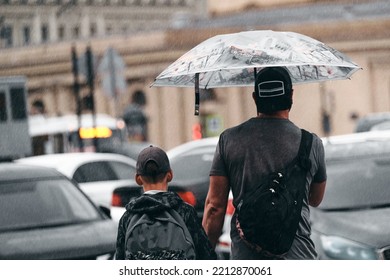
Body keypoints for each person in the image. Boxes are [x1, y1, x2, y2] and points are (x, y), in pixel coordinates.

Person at [202, 67, 327, 260]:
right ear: (291, 95)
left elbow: (215, 207)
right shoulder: (311, 144)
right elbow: (315, 198)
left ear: (254, 98)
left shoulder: (229, 140)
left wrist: (204, 252)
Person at [115, 145, 216, 260]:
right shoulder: (184, 212)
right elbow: (206, 256)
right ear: (170, 175)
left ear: (138, 179)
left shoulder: (128, 218)